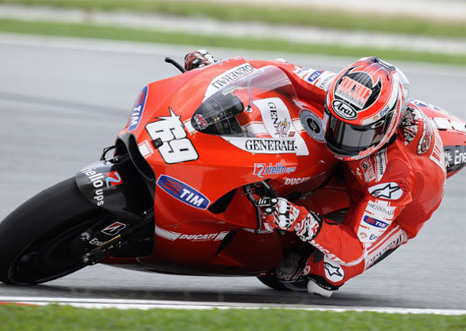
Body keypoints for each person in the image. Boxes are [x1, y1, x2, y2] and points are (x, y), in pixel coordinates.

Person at [184, 50, 447, 297]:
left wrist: (298, 219)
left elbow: (354, 249)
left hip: (395, 210)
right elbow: (278, 69)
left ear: (384, 128)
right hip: (353, 168)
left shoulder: (397, 178)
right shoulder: (335, 89)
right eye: (336, 123)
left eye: (356, 133)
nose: (341, 140)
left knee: (327, 275)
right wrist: (216, 71)